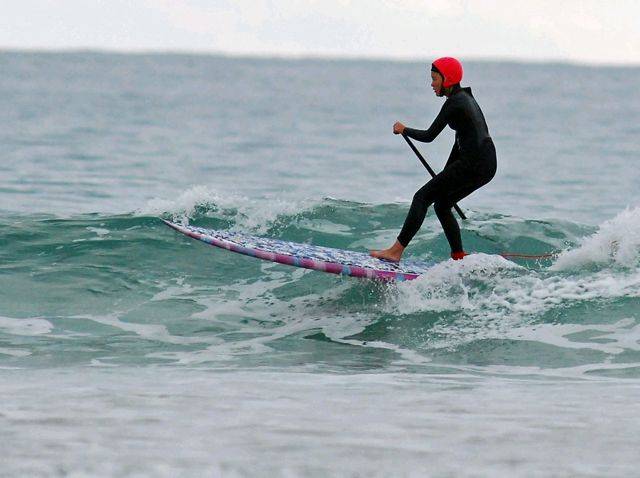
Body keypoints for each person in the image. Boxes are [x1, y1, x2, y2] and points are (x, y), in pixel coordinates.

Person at [370, 57, 496, 262]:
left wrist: (404, 129)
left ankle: (395, 252)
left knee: (421, 197)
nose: (432, 84)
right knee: (442, 204)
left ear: (448, 79)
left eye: (435, 79)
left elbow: (429, 136)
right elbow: (462, 140)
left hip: (474, 163)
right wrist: (445, 174)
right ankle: (458, 256)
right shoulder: (465, 98)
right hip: (486, 164)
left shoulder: (455, 103)